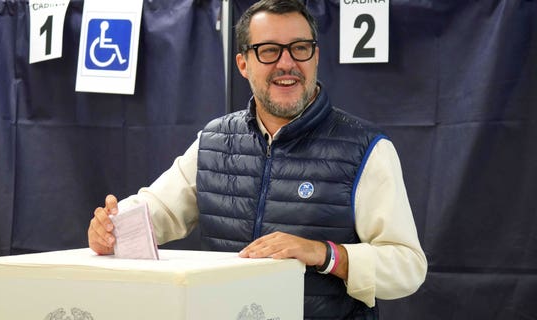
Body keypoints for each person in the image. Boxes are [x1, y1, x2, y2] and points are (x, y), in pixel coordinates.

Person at [88, 0, 427, 318]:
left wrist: (324, 254)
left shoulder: (366, 148)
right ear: (243, 65)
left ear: (315, 56)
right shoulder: (215, 140)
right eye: (268, 51)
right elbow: (156, 211)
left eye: (300, 48)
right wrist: (111, 229)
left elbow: (407, 267)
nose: (287, 63)